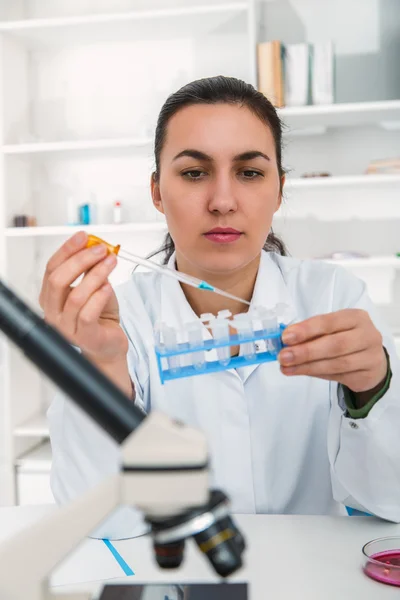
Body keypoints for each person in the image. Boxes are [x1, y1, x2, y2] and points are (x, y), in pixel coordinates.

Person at [41, 76, 400, 539]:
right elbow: (100, 519)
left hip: (309, 577)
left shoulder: (332, 297)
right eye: (194, 173)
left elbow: (389, 497)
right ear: (156, 192)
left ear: (279, 189)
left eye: (250, 173)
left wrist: (371, 387)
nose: (223, 202)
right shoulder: (114, 320)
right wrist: (105, 367)